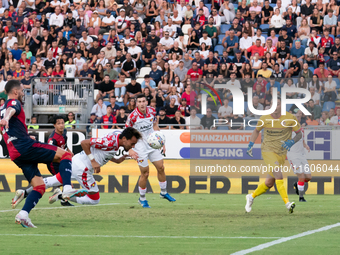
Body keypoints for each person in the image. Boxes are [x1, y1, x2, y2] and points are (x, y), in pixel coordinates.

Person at [1, 80, 87, 228]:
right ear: (15, 92)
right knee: (66, 155)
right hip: (25, 147)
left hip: (15, 153)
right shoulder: (13, 103)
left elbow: (8, 130)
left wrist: (25, 136)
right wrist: (7, 118)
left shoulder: (1, 109)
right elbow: (11, 111)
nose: (23, 93)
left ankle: (23, 215)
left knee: (39, 186)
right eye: (22, 90)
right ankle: (67, 189)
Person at [28, 127, 141, 207]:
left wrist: (117, 160)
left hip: (76, 161)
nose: (133, 146)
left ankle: (24, 193)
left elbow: (103, 152)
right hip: (83, 168)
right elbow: (84, 143)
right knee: (94, 199)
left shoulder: (117, 136)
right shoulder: (110, 142)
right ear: (125, 139)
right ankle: (62, 195)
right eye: (132, 144)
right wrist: (93, 161)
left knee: (55, 180)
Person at [246, 97, 301, 213]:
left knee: (269, 183)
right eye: (273, 104)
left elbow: (299, 134)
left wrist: (292, 141)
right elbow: (256, 130)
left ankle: (251, 197)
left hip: (281, 153)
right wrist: (251, 144)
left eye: (278, 104)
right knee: (278, 173)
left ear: (282, 106)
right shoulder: (264, 118)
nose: (275, 106)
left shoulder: (290, 118)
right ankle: (287, 203)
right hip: (267, 150)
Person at [125, 94, 176, 208]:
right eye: (139, 101)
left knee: (161, 168)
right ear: (136, 103)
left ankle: (163, 192)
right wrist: (130, 150)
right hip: (139, 147)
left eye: (144, 101)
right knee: (145, 173)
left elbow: (155, 125)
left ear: (146, 102)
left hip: (152, 144)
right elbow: (126, 133)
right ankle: (142, 198)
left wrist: (161, 142)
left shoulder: (152, 111)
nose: (142, 103)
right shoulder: (133, 116)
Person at [288, 128, 312, 202]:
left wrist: (306, 146)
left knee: (308, 177)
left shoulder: (301, 129)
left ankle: (297, 184)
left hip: (302, 155)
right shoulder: (287, 128)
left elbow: (302, 141)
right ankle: (301, 197)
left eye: (299, 116)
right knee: (301, 176)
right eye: (296, 116)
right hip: (293, 155)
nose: (298, 118)